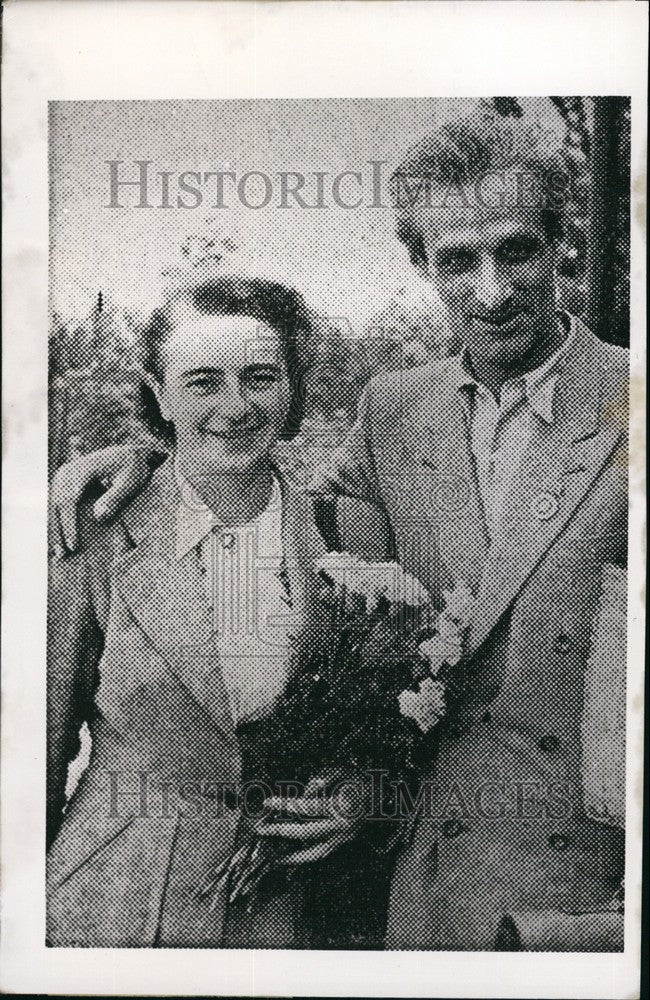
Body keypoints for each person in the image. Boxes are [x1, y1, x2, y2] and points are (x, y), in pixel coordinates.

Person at [52, 108, 629, 951]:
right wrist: (149, 458)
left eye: (517, 250)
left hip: (573, 890)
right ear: (421, 264)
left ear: (562, 243)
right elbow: (278, 522)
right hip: (414, 889)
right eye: (457, 260)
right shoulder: (395, 411)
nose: (492, 291)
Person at [47, 276, 395, 948]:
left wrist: (364, 794)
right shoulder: (92, 532)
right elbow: (36, 750)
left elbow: (389, 721)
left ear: (293, 389)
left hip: (299, 912)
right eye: (203, 381)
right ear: (160, 394)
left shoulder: (348, 529)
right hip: (121, 907)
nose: (235, 408)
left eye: (260, 378)